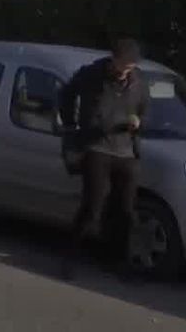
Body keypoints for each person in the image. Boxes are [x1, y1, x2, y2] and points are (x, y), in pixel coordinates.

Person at [58, 38, 150, 280]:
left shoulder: (138, 82)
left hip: (126, 150)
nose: (125, 72)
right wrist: (72, 125)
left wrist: (139, 124)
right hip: (97, 147)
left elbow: (144, 109)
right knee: (93, 206)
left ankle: (120, 261)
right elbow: (66, 95)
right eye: (123, 66)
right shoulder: (92, 75)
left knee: (125, 209)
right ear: (114, 59)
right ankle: (70, 257)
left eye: (131, 68)